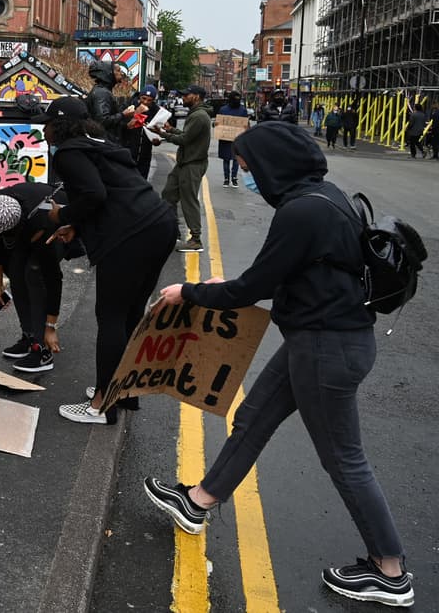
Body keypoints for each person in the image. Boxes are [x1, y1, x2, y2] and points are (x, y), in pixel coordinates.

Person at [143, 121, 413, 608]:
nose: (248, 177)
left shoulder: (301, 211)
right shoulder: (324, 196)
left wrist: (190, 291)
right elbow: (293, 274)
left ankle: (389, 571)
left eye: (249, 168)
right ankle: (198, 501)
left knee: (345, 461)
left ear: (272, 165)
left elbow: (250, 289)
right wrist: (239, 283)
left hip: (326, 349)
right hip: (322, 339)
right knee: (253, 417)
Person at [40, 96, 178, 424]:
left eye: (45, 123)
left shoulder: (69, 152)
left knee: (111, 317)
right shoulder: (101, 142)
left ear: (57, 126)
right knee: (131, 315)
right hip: (160, 223)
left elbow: (94, 195)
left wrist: (63, 216)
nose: (42, 130)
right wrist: (78, 224)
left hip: (133, 235)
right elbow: (112, 192)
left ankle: (102, 404)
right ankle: (123, 391)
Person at [0, 183, 64, 374]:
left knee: (34, 273)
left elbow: (54, 279)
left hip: (55, 224)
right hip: (25, 224)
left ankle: (42, 350)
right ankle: (30, 336)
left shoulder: (41, 222)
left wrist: (51, 327)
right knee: (16, 273)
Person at [155, 84, 212, 253]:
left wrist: (163, 134)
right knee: (168, 194)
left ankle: (195, 239)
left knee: (189, 200)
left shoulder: (199, 116)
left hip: (192, 164)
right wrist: (171, 129)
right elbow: (187, 136)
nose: (183, 98)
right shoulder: (196, 114)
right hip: (184, 163)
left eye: (186, 95)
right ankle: (172, 231)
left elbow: (185, 140)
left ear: (196, 97)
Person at [85, 59, 134, 143]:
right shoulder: (102, 93)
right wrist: (123, 114)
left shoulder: (103, 91)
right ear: (108, 73)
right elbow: (102, 121)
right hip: (104, 144)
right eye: (118, 70)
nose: (121, 73)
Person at [123, 85, 161, 180]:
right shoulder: (130, 106)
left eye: (149, 100)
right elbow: (124, 127)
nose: (145, 102)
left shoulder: (156, 111)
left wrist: (157, 140)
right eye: (143, 98)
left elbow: (159, 132)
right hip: (128, 153)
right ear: (139, 96)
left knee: (142, 182)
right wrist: (137, 113)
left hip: (145, 155)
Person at [215, 90, 249, 187]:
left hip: (232, 138)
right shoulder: (242, 110)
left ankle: (229, 179)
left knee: (232, 159)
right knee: (232, 159)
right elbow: (218, 122)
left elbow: (245, 124)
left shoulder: (224, 109)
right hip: (229, 137)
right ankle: (231, 179)